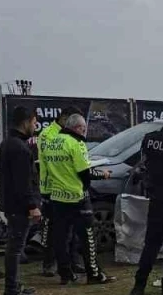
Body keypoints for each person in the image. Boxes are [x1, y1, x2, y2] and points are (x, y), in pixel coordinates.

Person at [40, 113, 115, 285]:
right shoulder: (76, 143)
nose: (84, 132)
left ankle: (65, 274)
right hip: (78, 197)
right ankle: (94, 274)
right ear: (76, 128)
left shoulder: (52, 142)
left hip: (57, 197)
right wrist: (103, 174)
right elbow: (84, 172)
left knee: (60, 238)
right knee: (87, 237)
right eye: (83, 129)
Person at [130, 111, 163, 295]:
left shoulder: (149, 139)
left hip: (156, 198)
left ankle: (138, 287)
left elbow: (144, 163)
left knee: (151, 245)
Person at [0, 105, 43, 295]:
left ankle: (14, 287)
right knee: (15, 249)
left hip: (13, 204)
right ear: (26, 122)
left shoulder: (10, 143)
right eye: (34, 123)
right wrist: (32, 206)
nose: (36, 127)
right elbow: (23, 182)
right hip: (19, 207)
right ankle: (11, 292)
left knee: (15, 248)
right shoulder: (18, 148)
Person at [35, 106, 76, 278]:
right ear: (64, 117)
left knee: (71, 229)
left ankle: (70, 263)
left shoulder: (69, 134)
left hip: (69, 187)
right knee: (52, 229)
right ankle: (49, 264)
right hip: (51, 188)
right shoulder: (47, 134)